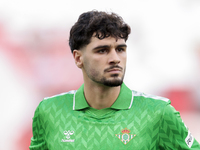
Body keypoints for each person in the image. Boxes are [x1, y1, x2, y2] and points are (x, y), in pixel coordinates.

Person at [29, 10, 200, 150]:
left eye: (120, 49)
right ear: (78, 58)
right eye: (102, 50)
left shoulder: (159, 112)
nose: (115, 58)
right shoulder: (48, 111)